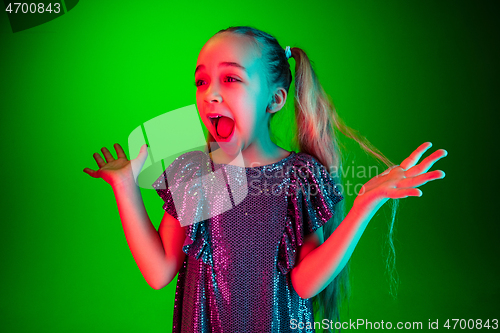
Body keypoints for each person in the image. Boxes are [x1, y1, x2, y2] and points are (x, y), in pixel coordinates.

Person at [83, 26, 447, 332]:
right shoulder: (193, 173)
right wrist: (125, 187)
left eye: (230, 78)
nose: (210, 93)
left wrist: (363, 206)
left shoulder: (299, 176)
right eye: (201, 80)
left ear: (274, 100)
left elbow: (303, 284)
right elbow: (160, 271)